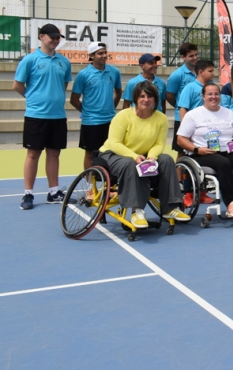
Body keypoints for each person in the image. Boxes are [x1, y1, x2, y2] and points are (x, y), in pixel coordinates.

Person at [97, 81, 190, 229]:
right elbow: (115, 143)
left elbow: (159, 144)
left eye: (149, 96)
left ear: (155, 99)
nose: (146, 100)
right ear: (136, 98)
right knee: (131, 164)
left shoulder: (161, 118)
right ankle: (137, 211)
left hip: (144, 155)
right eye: (142, 96)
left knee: (166, 159)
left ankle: (171, 208)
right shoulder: (123, 116)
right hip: (113, 154)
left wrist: (152, 157)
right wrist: (134, 156)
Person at [13, 23, 72, 209]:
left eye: (57, 37)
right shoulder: (29, 60)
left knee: (54, 153)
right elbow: (18, 85)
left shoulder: (64, 62)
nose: (55, 40)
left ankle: (53, 192)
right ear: (41, 37)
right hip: (36, 115)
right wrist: (33, 98)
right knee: (33, 154)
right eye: (52, 37)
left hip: (58, 116)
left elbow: (64, 86)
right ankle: (28, 194)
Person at [176, 83, 233, 218]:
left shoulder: (228, 113)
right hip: (202, 153)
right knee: (223, 163)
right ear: (203, 97)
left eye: (216, 94)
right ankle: (231, 204)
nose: (214, 97)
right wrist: (197, 149)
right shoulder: (193, 115)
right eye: (210, 94)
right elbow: (181, 139)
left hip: (227, 150)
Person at [70, 42, 122, 170]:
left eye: (105, 53)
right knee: (90, 153)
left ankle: (109, 185)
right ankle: (89, 186)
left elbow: (118, 92)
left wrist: (111, 108)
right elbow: (74, 99)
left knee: (111, 152)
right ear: (91, 56)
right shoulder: (83, 74)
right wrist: (87, 112)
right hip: (91, 122)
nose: (104, 55)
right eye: (100, 53)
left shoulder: (114, 71)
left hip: (110, 120)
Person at [165, 42, 200, 157]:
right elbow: (169, 95)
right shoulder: (177, 75)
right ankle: (178, 175)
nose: (195, 58)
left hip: (199, 118)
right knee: (182, 152)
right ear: (183, 57)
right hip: (182, 119)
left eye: (196, 54)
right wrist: (180, 107)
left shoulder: (201, 71)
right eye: (191, 56)